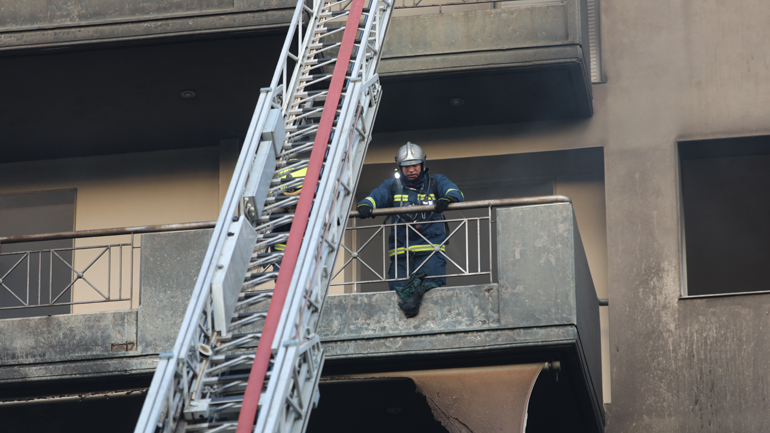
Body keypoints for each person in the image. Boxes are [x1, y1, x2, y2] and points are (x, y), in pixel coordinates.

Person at [356, 142, 463, 318]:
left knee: (432, 294)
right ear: (400, 167)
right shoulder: (392, 186)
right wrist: (366, 205)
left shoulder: (436, 182)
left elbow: (455, 192)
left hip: (430, 252)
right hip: (402, 254)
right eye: (406, 166)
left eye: (415, 165)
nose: (411, 170)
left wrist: (448, 199)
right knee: (398, 292)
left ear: (422, 164)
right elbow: (375, 197)